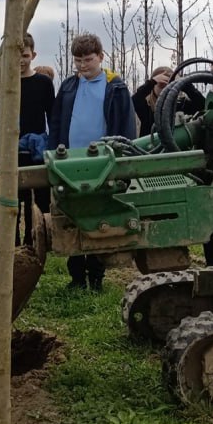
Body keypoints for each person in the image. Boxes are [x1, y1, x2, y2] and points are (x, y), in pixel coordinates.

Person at [47, 33, 136, 289]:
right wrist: (53, 152)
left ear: (101, 57)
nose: (83, 65)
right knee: (72, 216)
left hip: (102, 163)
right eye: (78, 60)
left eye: (88, 60)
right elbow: (56, 122)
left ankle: (96, 277)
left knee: (98, 215)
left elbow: (125, 127)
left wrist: (122, 160)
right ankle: (76, 277)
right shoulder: (68, 86)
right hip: (69, 161)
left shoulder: (115, 87)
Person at [0, 33, 56, 247]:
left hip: (35, 151)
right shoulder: (1, 85)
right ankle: (11, 247)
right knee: (9, 202)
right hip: (10, 152)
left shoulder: (43, 83)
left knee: (35, 203)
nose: (20, 60)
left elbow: (52, 118)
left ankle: (34, 245)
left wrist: (52, 149)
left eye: (25, 55)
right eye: (16, 54)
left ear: (33, 55)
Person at [132, 65, 202, 135]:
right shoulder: (147, 108)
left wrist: (183, 84)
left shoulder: (181, 105)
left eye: (169, 85)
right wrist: (152, 82)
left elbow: (201, 104)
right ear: (153, 88)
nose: (166, 89)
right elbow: (133, 101)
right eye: (161, 85)